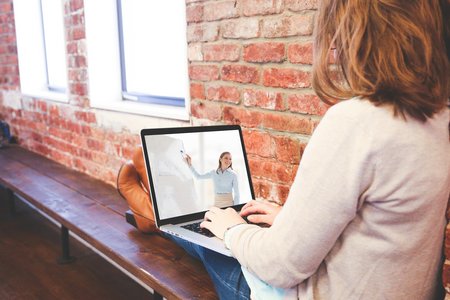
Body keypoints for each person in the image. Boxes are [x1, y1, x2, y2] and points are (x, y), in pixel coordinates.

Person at [118, 0, 449, 298]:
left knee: (210, 241)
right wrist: (288, 222)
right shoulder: (440, 118)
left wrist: (233, 230)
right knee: (215, 221)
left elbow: (280, 267)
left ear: (355, 34)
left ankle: (152, 215)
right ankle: (159, 216)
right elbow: (382, 226)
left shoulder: (357, 122)